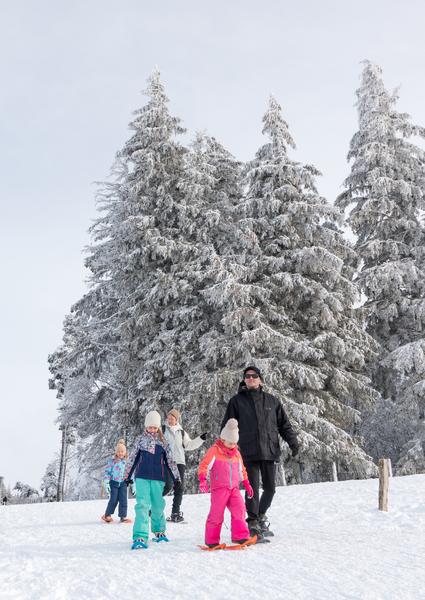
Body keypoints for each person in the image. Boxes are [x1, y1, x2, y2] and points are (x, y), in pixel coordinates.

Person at [221, 365, 299, 538]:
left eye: (254, 376)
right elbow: (227, 427)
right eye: (247, 376)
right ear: (244, 380)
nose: (250, 378)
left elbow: (284, 425)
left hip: (269, 450)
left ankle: (260, 515)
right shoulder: (236, 402)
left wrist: (293, 443)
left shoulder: (272, 401)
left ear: (260, 379)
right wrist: (225, 447)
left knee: (270, 489)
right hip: (247, 452)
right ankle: (252, 522)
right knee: (252, 489)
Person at [123, 410, 181, 550]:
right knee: (142, 505)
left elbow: (170, 461)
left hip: (158, 479)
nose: (152, 430)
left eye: (155, 427)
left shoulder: (162, 442)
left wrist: (176, 478)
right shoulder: (140, 440)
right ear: (146, 426)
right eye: (150, 427)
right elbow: (132, 459)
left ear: (158, 427)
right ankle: (140, 536)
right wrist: (127, 477)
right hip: (142, 477)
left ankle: (159, 531)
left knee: (158, 505)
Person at [198, 418, 257, 548]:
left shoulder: (237, 453)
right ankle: (211, 540)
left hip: (234, 489)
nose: (232, 445)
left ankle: (240, 536)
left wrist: (247, 483)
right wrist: (203, 480)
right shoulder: (214, 451)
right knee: (216, 514)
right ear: (223, 439)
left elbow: (242, 470)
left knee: (240, 510)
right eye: (230, 443)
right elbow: (204, 466)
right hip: (219, 489)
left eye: (234, 443)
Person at [162, 408, 207, 522]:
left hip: (180, 462)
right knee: (167, 486)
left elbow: (189, 445)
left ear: (177, 419)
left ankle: (175, 513)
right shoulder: (163, 430)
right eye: (169, 417)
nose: (170, 419)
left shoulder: (181, 432)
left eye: (173, 418)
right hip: (167, 461)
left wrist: (200, 439)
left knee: (179, 488)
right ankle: (152, 507)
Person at [101, 439, 131, 524]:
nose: (120, 453)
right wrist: (106, 481)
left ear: (125, 452)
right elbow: (107, 472)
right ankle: (107, 515)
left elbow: (130, 472)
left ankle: (123, 517)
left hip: (123, 483)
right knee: (113, 499)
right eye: (119, 451)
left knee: (123, 500)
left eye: (122, 451)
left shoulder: (126, 462)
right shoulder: (112, 461)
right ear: (116, 452)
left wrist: (132, 482)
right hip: (113, 483)